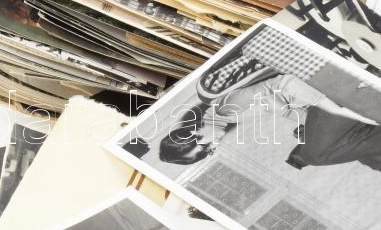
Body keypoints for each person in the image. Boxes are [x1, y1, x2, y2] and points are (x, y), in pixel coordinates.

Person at [159, 59, 381, 172]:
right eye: (209, 152)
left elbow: (284, 83)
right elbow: (284, 106)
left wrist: (333, 109)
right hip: (316, 102)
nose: (214, 146)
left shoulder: (225, 108)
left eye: (206, 146)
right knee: (369, 159)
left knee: (316, 156)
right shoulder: (230, 118)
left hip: (320, 87)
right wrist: (304, 124)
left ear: (194, 132)